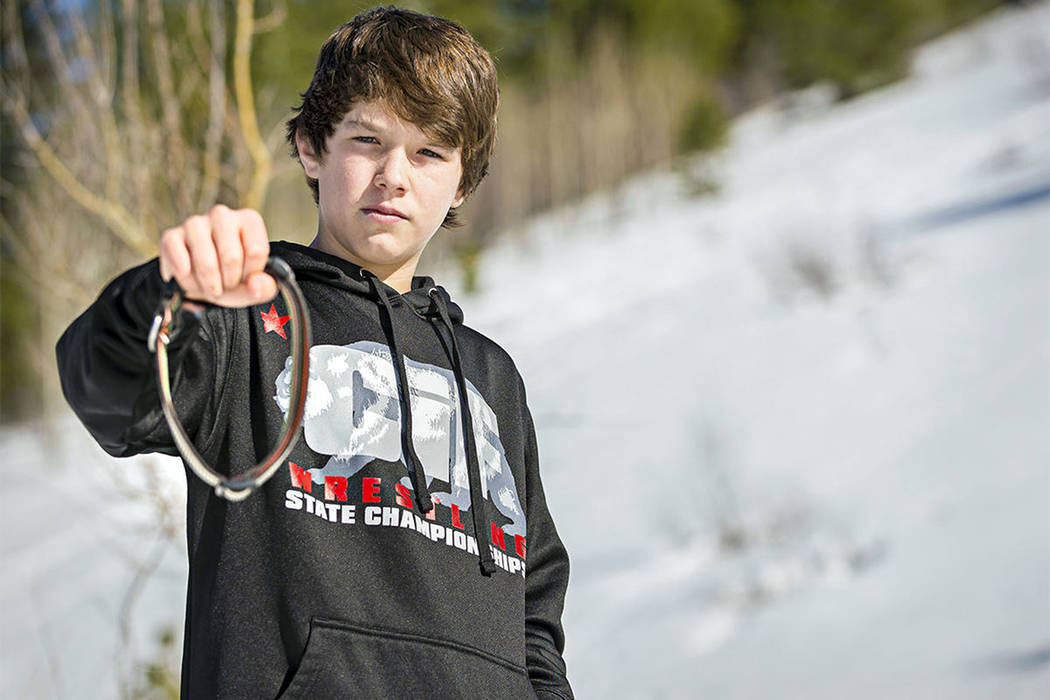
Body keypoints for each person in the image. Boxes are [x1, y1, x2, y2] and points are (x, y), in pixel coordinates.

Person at [55, 6, 573, 698]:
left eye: (429, 152)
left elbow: (533, 618)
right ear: (310, 147)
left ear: (463, 181)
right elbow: (105, 389)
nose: (395, 175)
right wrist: (165, 293)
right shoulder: (243, 315)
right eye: (367, 139)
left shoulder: (491, 377)